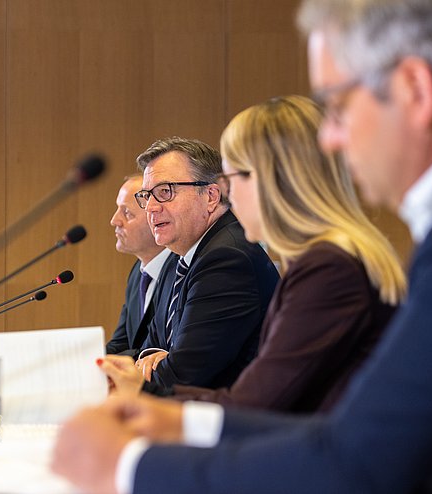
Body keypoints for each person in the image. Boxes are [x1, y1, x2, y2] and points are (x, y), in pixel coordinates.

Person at [52, 1, 432, 493]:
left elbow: (363, 457)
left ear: (415, 90)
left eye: (336, 104)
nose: (329, 139)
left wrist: (127, 467)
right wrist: (180, 418)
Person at [99, 95, 405, 414]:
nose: (229, 194)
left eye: (236, 177)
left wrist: (141, 392)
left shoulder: (328, 269)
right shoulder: (324, 260)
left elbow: (257, 401)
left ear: (279, 181)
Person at [131, 137, 280, 389]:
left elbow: (181, 376)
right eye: (147, 195)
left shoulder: (227, 258)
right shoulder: (176, 258)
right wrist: (152, 360)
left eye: (165, 192)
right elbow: (148, 347)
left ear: (211, 195)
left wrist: (139, 375)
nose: (151, 208)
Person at [106, 175, 176, 358]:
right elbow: (121, 343)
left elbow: (161, 350)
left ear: (154, 219)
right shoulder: (138, 273)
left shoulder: (181, 272)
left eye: (127, 213)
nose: (114, 221)